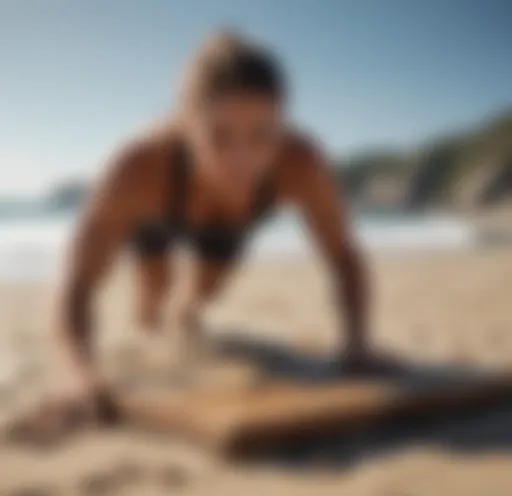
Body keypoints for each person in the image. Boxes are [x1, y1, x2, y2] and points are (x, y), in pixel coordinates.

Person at [49, 30, 394, 427]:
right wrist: (75, 371)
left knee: (205, 292)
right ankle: (150, 323)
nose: (242, 161)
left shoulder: (301, 163)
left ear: (282, 124)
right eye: (219, 137)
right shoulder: (138, 164)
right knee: (152, 294)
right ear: (185, 125)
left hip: (228, 225)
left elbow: (343, 255)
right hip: (158, 213)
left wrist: (358, 344)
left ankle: (182, 319)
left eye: (262, 135)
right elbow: (77, 279)